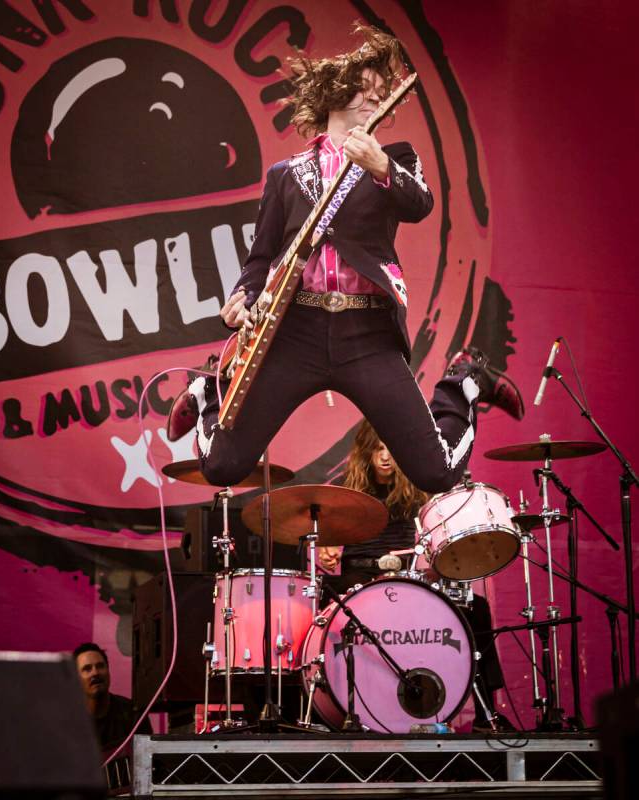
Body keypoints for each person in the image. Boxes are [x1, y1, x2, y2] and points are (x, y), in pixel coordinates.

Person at [167, 24, 523, 494]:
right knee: (223, 467)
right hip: (296, 331)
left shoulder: (396, 158)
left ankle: (462, 379)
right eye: (366, 90)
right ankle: (207, 390)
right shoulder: (286, 175)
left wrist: (380, 166)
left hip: (366, 334)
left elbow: (420, 205)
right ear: (335, 94)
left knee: (437, 472)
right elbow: (261, 258)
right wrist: (243, 297)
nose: (376, 99)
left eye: (382, 93)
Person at [318, 420, 515, 732]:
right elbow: (324, 539)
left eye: (391, 450)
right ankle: (339, 710)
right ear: (366, 453)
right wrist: (326, 546)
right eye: (378, 449)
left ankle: (486, 713)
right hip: (359, 577)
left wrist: (437, 566)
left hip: (404, 578)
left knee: (476, 610)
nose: (385, 457)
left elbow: (436, 538)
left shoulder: (418, 490)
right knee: (327, 605)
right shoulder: (346, 490)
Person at [73, 642, 151, 753]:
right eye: (87, 669)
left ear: (108, 671)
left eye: (100, 666)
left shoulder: (134, 714)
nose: (95, 673)